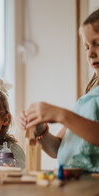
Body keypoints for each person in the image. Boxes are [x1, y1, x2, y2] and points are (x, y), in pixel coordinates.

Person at [20, 9, 99, 172]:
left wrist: (61, 115)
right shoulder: (88, 100)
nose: (90, 53)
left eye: (97, 43)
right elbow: (56, 149)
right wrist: (40, 128)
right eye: (86, 47)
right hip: (74, 182)